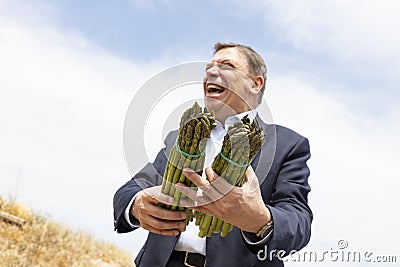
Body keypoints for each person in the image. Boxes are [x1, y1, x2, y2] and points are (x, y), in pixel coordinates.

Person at [113, 42, 312, 267]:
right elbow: (128, 191)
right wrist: (137, 205)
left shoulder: (288, 144)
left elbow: (299, 222)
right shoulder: (181, 136)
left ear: (255, 84)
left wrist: (260, 220)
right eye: (208, 67)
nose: (211, 72)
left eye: (226, 65)